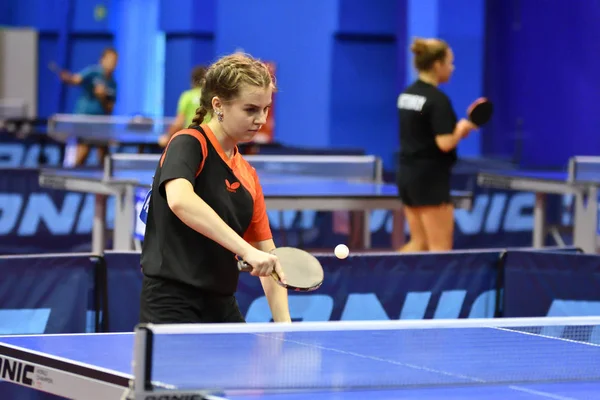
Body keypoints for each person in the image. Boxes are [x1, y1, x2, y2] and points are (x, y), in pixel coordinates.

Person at [139, 52, 291, 324]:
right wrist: (245, 250)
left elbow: (269, 257)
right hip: (171, 303)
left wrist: (286, 328)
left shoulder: (248, 174)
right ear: (218, 105)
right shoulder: (188, 144)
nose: (261, 119)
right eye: (251, 109)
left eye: (265, 109)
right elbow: (180, 201)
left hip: (221, 303)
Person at [396, 38, 479, 252]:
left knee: (418, 243)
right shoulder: (437, 100)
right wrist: (461, 130)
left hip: (407, 176)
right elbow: (444, 143)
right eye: (449, 62)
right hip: (430, 179)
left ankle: (382, 282)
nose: (452, 68)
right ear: (436, 65)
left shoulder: (407, 95)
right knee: (440, 248)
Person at [59, 47, 118, 166]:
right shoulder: (92, 72)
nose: (112, 63)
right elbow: (76, 79)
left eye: (115, 61)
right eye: (110, 60)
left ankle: (106, 181)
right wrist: (68, 78)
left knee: (104, 155)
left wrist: (102, 97)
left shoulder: (113, 83)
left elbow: (110, 108)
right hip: (84, 120)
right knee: (83, 152)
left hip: (100, 123)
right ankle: (75, 177)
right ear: (102, 60)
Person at [158, 65, 211, 148]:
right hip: (210, 141)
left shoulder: (187, 96)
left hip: (191, 140)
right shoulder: (211, 96)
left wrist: (167, 137)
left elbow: (179, 123)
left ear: (192, 81)